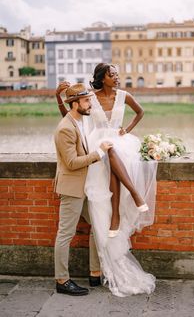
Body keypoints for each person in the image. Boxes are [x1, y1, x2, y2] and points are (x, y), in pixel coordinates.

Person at [56, 63, 158, 297]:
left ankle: (120, 211)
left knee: (114, 152)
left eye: (117, 74)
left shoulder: (125, 95)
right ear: (102, 78)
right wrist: (59, 99)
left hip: (118, 144)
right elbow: (72, 118)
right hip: (96, 148)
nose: (117, 77)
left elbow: (140, 112)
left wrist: (127, 129)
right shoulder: (89, 97)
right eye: (112, 74)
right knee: (98, 206)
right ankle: (129, 199)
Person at [54, 83, 112, 296]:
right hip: (72, 188)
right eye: (87, 100)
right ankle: (62, 280)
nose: (91, 104)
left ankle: (94, 273)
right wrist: (99, 153)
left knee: (98, 225)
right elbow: (71, 162)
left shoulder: (79, 122)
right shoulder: (65, 128)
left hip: (86, 186)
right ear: (75, 104)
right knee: (65, 234)